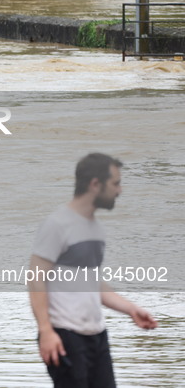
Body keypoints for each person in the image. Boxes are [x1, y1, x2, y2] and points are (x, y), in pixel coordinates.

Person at [28, 153, 157, 388]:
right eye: (115, 183)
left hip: (96, 336)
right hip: (64, 335)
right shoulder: (57, 224)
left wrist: (131, 309)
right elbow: (35, 279)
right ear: (95, 184)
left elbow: (93, 284)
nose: (120, 190)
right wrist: (46, 331)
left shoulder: (96, 229)